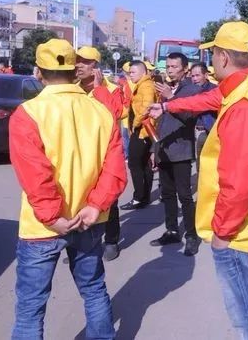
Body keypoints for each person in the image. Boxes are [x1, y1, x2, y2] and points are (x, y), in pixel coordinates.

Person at [149, 21, 248, 338]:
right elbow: (208, 100)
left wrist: (223, 233)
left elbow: (241, 181)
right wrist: (168, 105)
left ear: (224, 58)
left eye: (213, 54)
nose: (212, 60)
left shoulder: (243, 106)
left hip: (243, 232)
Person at [9, 39, 126, 339]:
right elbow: (114, 170)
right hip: (88, 220)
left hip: (43, 227)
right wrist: (95, 206)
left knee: (31, 308)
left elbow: (36, 176)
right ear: (76, 69)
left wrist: (52, 216)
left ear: (38, 72)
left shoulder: (29, 113)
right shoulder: (101, 112)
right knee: (94, 289)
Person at [150, 52, 203, 256]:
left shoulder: (191, 90)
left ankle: (191, 235)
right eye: (168, 66)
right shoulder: (165, 89)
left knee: (185, 195)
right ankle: (171, 230)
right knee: (167, 194)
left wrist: (171, 99)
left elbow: (190, 117)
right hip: (164, 148)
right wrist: (155, 150)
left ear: (185, 69)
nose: (170, 70)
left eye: (174, 67)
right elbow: (160, 122)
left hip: (181, 150)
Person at [75, 46, 125, 261]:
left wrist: (98, 89)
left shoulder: (112, 88)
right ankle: (80, 244)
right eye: (77, 61)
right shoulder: (72, 88)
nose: (79, 65)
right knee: (80, 198)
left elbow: (113, 115)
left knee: (108, 200)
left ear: (96, 66)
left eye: (85, 62)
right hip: (78, 151)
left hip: (104, 153)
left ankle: (111, 241)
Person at [121, 60, 157, 210]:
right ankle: (144, 196)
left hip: (142, 131)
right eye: (129, 73)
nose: (130, 75)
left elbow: (147, 107)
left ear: (143, 72)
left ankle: (138, 197)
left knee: (135, 164)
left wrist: (135, 123)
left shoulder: (146, 86)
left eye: (133, 72)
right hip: (142, 130)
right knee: (143, 164)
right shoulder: (142, 84)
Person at [190, 62, 217, 171]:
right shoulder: (189, 90)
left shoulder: (214, 90)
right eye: (192, 76)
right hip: (194, 131)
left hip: (208, 131)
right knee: (199, 165)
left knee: (209, 164)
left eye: (197, 75)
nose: (195, 79)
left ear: (206, 75)